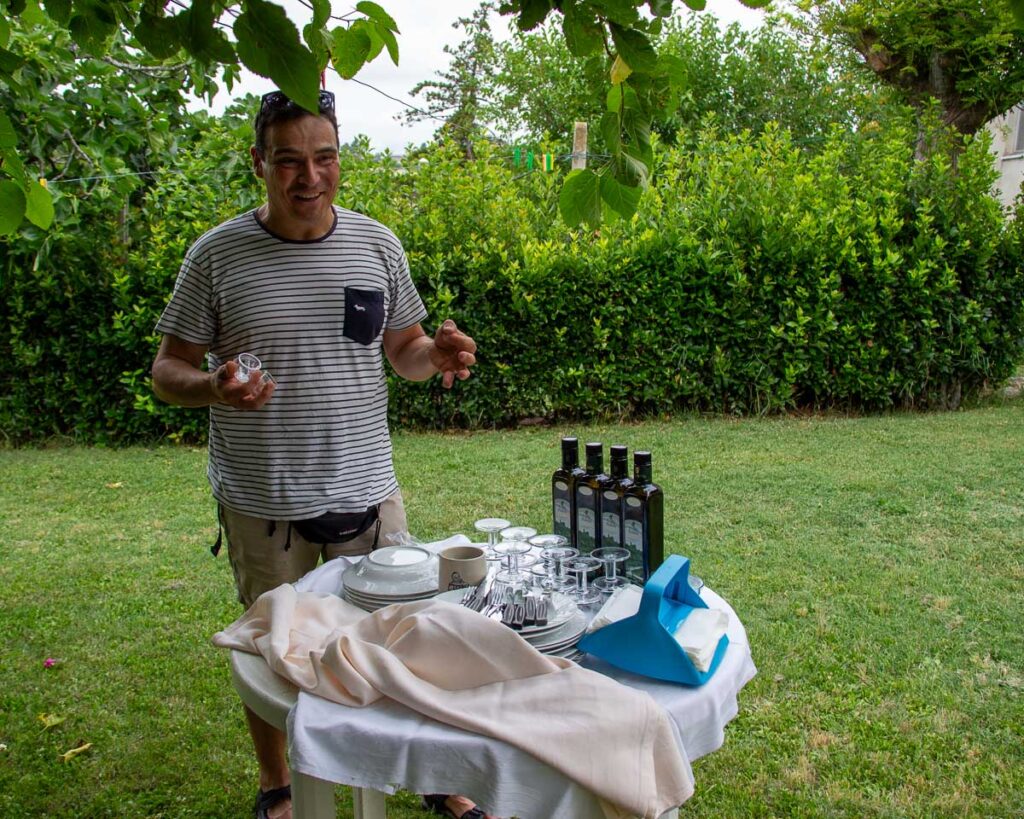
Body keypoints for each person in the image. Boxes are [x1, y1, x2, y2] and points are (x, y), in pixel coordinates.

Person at [151, 89, 489, 819]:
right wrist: (212, 384)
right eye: (289, 161)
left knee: (400, 637)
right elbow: (166, 371)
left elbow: (404, 350)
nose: (310, 176)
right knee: (272, 651)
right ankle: (278, 785)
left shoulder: (376, 244)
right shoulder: (215, 255)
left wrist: (440, 353)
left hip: (369, 491)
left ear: (341, 157)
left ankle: (433, 772)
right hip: (263, 502)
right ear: (258, 164)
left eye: (325, 157)